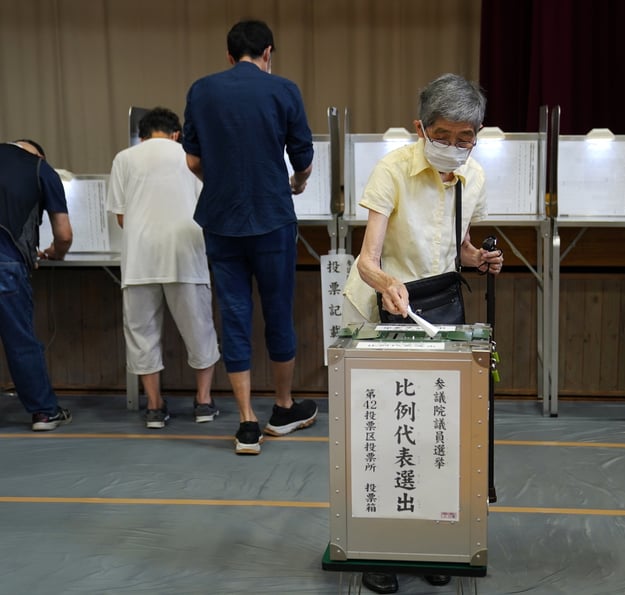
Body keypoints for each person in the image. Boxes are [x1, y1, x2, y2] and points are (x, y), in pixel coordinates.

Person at [341, 73, 504, 594]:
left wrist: (479, 258)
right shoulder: (392, 169)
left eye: (466, 137)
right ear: (421, 128)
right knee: (386, 431)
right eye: (444, 135)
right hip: (386, 307)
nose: (455, 147)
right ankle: (381, 550)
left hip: (439, 310)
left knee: (440, 430)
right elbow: (367, 259)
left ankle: (436, 541)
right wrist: (389, 282)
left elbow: (456, 246)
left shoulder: (474, 176)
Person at [182, 19, 318, 455]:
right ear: (268, 52)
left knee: (235, 316)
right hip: (272, 217)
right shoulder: (284, 90)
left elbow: (192, 160)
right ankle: (282, 407)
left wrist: (218, 179)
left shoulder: (201, 90)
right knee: (278, 312)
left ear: (228, 55)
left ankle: (245, 423)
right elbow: (303, 157)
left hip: (221, 221)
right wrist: (295, 183)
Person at [106, 107, 221, 429]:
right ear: (176, 133)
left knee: (142, 333)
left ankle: (155, 407)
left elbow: (121, 217)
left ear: (142, 134)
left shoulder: (124, 158)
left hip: (139, 260)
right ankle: (203, 401)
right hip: (185, 254)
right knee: (199, 329)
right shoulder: (192, 157)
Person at [0, 139, 73, 431]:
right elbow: (64, 234)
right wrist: (53, 252)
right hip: (6, 264)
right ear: (39, 154)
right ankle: (44, 413)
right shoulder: (41, 170)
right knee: (20, 342)